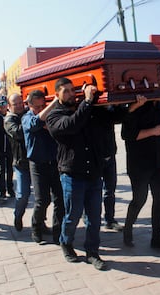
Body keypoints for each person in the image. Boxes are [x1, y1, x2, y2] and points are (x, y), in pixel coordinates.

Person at [46, 77, 108, 270]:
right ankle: (66, 243)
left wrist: (131, 106)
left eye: (73, 90)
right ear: (57, 95)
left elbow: (110, 118)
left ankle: (92, 252)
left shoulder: (85, 109)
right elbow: (72, 125)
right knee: (72, 215)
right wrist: (88, 102)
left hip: (93, 173)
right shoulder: (54, 116)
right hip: (72, 174)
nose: (71, 94)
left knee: (95, 217)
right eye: (66, 91)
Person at [121, 94, 160, 250]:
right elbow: (126, 135)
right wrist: (152, 131)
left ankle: (157, 238)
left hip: (159, 163)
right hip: (139, 164)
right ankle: (127, 230)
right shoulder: (136, 107)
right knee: (139, 199)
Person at [22, 90, 64, 244]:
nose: (41, 110)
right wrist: (53, 103)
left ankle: (58, 232)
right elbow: (34, 124)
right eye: (38, 107)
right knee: (42, 200)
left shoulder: (49, 116)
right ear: (30, 105)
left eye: (43, 106)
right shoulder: (26, 118)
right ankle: (36, 228)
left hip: (54, 163)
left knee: (60, 199)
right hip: (37, 165)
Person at [4, 93, 31, 233]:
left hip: (36, 161)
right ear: (9, 106)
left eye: (21, 102)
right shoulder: (9, 120)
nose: (20, 105)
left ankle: (39, 222)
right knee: (22, 194)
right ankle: (18, 215)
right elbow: (19, 133)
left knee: (42, 197)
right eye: (16, 104)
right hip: (21, 163)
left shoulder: (29, 113)